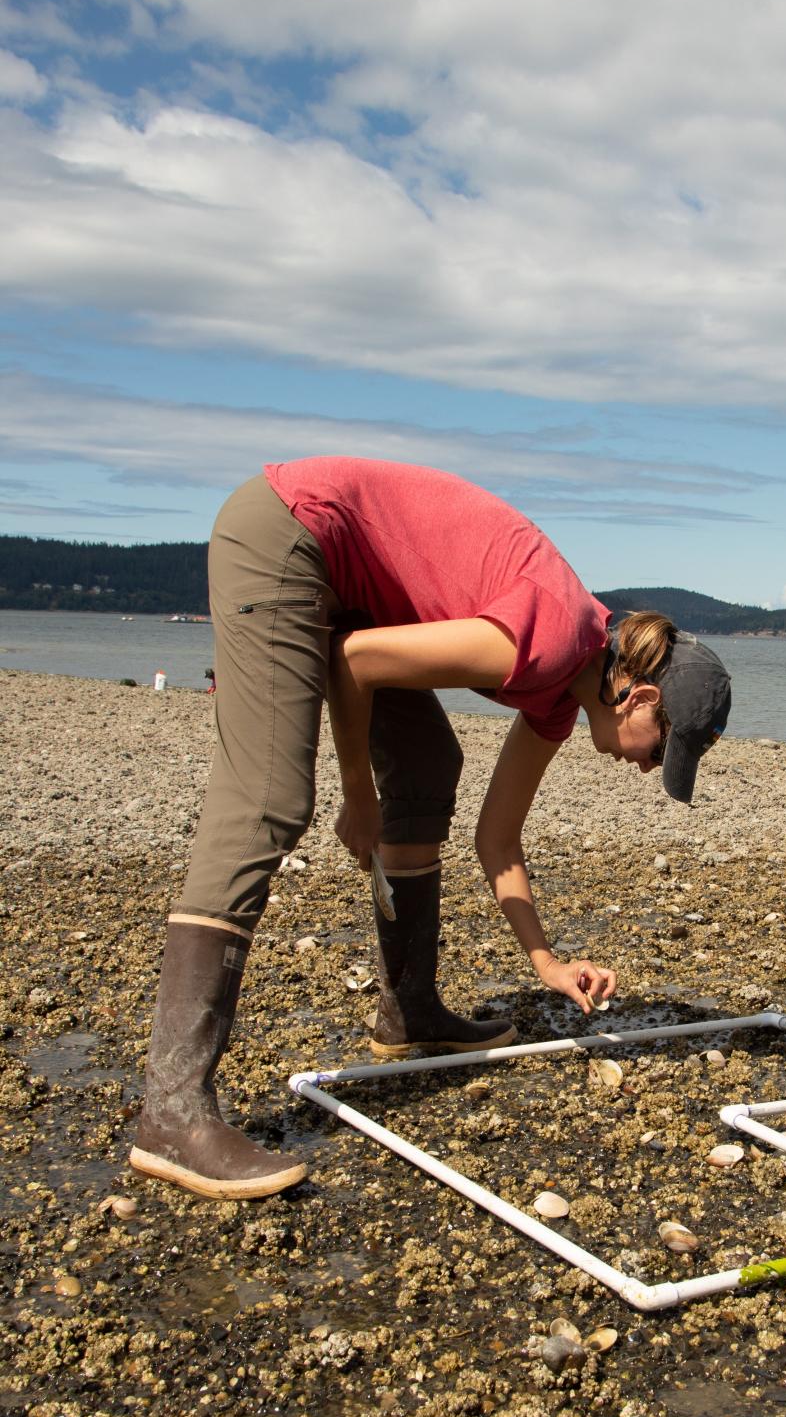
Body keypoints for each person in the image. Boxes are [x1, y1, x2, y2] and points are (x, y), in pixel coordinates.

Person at [130, 459, 731, 1203]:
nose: (647, 769)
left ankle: (408, 1008)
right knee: (269, 798)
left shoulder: (561, 689)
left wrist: (545, 961)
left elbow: (498, 839)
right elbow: (354, 664)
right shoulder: (547, 641)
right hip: (289, 535)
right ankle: (172, 1110)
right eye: (659, 748)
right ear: (638, 695)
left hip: (356, 594)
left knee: (425, 765)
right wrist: (357, 794)